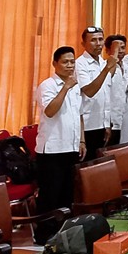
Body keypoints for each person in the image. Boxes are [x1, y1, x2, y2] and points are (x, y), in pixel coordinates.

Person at [35, 46, 87, 212]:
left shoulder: (75, 86)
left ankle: (64, 227)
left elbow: (79, 115)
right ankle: (45, 228)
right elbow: (50, 111)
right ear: (55, 64)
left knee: (67, 194)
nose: (70, 65)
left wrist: (82, 140)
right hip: (52, 150)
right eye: (65, 62)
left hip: (71, 147)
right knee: (50, 195)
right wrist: (65, 88)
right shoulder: (47, 86)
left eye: (72, 62)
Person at [74, 26, 116, 160]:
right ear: (83, 44)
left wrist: (107, 124)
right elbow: (89, 91)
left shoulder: (103, 62)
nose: (98, 43)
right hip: (87, 126)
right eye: (93, 40)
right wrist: (107, 69)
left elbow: (106, 96)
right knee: (87, 166)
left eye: (100, 39)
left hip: (102, 125)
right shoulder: (80, 64)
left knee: (102, 165)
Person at [105, 34, 128, 146]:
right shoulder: (105, 68)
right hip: (111, 122)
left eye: (123, 47)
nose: (120, 51)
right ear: (107, 50)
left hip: (127, 121)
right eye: (117, 48)